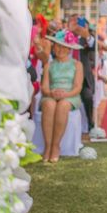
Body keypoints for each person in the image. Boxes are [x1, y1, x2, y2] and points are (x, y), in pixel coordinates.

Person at [41, 29, 83, 163]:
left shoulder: (77, 64)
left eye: (64, 46)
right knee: (49, 104)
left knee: (63, 105)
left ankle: (55, 146)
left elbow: (78, 87)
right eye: (58, 45)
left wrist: (65, 94)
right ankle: (47, 146)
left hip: (70, 95)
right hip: (52, 94)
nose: (60, 49)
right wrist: (51, 93)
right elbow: (44, 87)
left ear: (69, 49)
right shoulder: (49, 65)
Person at [69, 14, 96, 133]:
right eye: (73, 22)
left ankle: (91, 124)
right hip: (66, 76)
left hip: (83, 78)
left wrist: (87, 36)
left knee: (88, 96)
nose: (76, 25)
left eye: (78, 22)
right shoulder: (63, 36)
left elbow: (93, 46)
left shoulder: (85, 38)